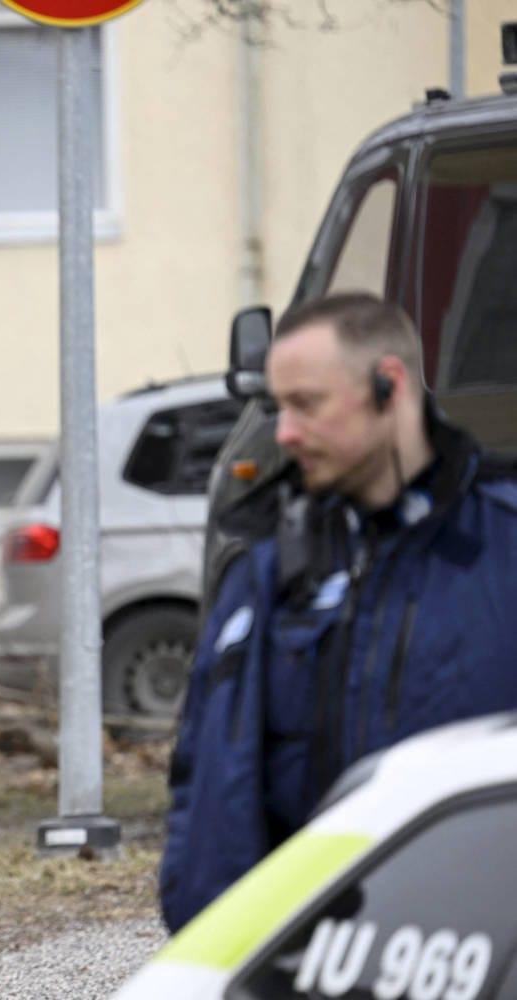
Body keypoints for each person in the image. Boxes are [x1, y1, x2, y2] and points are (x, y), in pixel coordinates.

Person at [160, 292, 517, 932]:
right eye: (278, 407)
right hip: (303, 960)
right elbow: (204, 781)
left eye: (306, 405)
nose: (285, 433)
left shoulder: (502, 550)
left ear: (389, 385)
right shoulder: (266, 573)